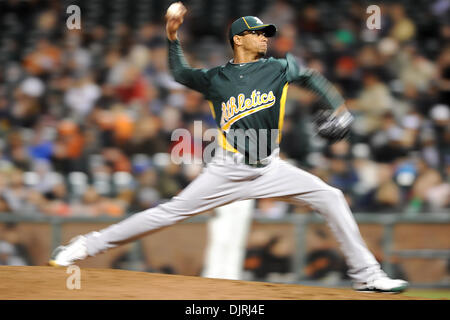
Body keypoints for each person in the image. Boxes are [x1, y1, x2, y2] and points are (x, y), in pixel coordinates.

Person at [50, 2, 408, 293]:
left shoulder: (278, 68)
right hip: (227, 167)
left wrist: (339, 106)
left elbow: (312, 77)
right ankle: (84, 246)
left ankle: (367, 275)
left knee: (330, 197)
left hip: (270, 167)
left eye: (267, 33)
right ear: (239, 39)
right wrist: (172, 36)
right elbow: (180, 73)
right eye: (258, 33)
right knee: (168, 213)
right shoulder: (215, 79)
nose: (266, 38)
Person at [201, 199, 254, 280]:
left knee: (237, 244)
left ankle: (232, 276)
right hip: (223, 194)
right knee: (219, 241)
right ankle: (212, 275)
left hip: (244, 196)